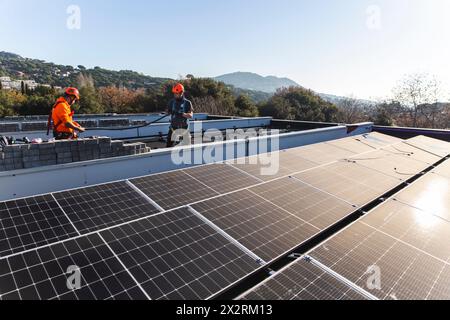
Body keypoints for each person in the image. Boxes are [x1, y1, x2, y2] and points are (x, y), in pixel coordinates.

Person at [166, 83, 194, 147]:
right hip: (173, 129)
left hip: (184, 129)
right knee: (168, 148)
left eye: (176, 93)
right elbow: (167, 112)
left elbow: (191, 115)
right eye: (174, 93)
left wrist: (182, 114)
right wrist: (169, 112)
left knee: (187, 149)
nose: (175, 95)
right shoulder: (171, 102)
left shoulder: (187, 103)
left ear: (181, 92)